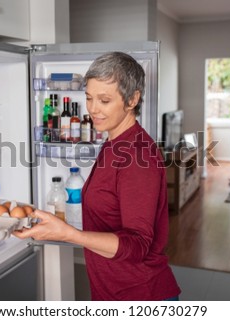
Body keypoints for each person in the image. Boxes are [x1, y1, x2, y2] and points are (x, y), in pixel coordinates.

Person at [13, 51, 181, 301]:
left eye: (104, 100)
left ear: (132, 99)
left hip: (140, 295)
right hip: (112, 290)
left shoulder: (137, 156)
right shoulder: (114, 143)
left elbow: (138, 245)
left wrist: (68, 234)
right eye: (89, 98)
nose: (92, 109)